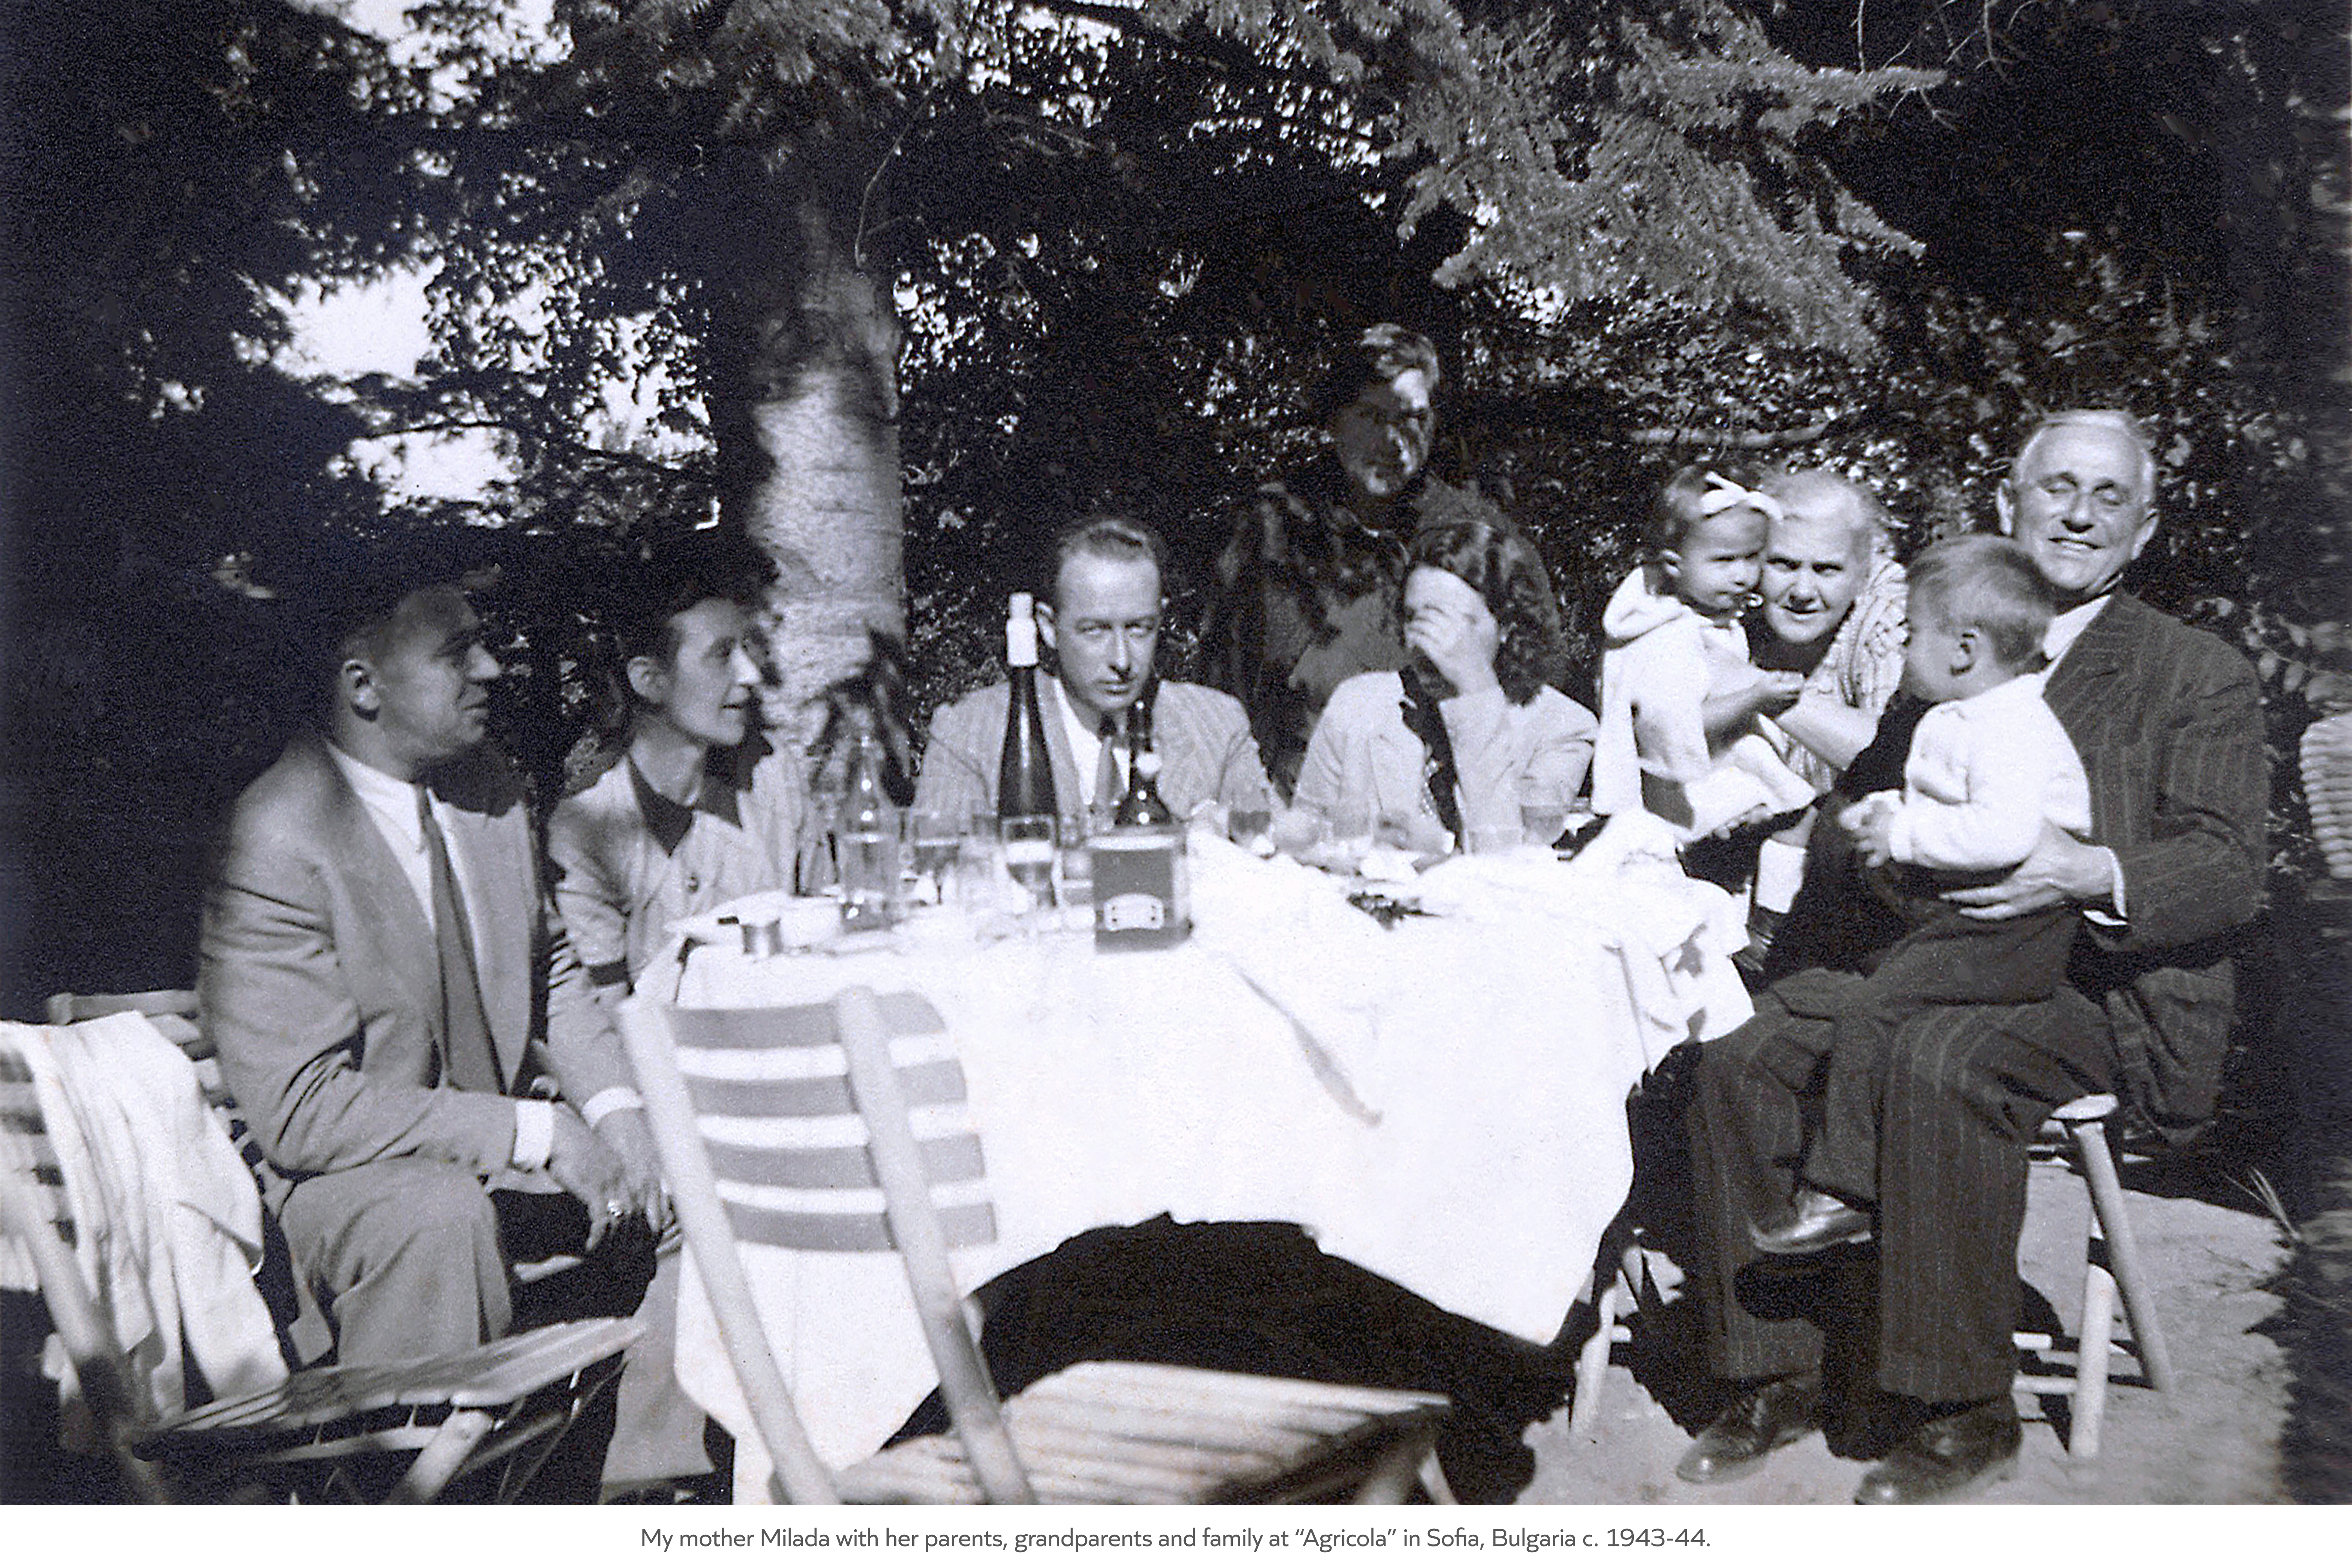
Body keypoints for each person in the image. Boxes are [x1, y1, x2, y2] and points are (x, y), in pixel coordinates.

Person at [1679, 410, 2267, 1504]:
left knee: (1941, 1057)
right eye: (2056, 489)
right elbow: (1871, 822)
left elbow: (2231, 868)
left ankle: (1960, 1407)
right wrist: (1870, 856)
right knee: (1745, 1051)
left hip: (2099, 991)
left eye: (2108, 497)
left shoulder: (2194, 672)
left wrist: (2086, 870)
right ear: (2009, 507)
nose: (2079, 514)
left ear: (2142, 531)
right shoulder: (1948, 655)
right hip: (1941, 950)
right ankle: (1781, 1370)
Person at [199, 560, 666, 1371]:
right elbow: (303, 1113)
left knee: (679, 1161)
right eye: (458, 653)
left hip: (485, 1162)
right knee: (439, 1215)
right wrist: (535, 1130)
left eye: (483, 646)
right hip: (343, 1190)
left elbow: (547, 965)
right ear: (363, 685)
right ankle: (425, 1487)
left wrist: (624, 1112)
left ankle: (650, 1476)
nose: (490, 669)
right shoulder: (277, 836)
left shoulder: (485, 788)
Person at [1749, 535, 2092, 1254]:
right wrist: (1883, 819)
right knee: (1858, 996)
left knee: (1880, 1010)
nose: (1901, 650)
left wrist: (1902, 834)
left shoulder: (2012, 726)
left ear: (1964, 648)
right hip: (1965, 919)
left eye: (1910, 634)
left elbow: (2002, 835)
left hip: (2013, 930)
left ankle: (1845, 1188)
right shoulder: (1958, 713)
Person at [1203, 325, 1566, 793]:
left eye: (1412, 418)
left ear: (1433, 424)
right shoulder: (1274, 526)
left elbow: (1539, 680)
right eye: (1372, 416)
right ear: (1334, 420)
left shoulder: (1475, 535)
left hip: (1438, 807)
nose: (1393, 440)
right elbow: (1220, 684)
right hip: (1294, 808)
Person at [547, 539, 806, 1002]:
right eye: (722, 654)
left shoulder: (773, 775)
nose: (749, 674)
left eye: (747, 649)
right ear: (650, 679)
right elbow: (605, 1018)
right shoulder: (588, 827)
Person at [916, 515, 1275, 826]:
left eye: (1139, 628)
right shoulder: (971, 733)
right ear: (1049, 628)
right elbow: (941, 881)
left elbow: (1279, 862)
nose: (1122, 660)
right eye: (1095, 631)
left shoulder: (1217, 725)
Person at [1281, 515, 1594, 853]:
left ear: (1506, 627)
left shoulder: (1564, 729)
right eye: (1415, 618)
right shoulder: (1359, 703)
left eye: (1451, 622)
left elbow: (1508, 861)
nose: (1426, 644)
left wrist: (1475, 698)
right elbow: (1302, 843)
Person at [1735, 470, 1911, 963]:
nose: (1803, 591)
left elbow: (1889, 755)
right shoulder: (1733, 617)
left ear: (1862, 571)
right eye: (1784, 565)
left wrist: (1763, 693)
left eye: (1827, 570)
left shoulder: (1881, 623)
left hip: (1849, 897)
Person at [1591, 465, 1814, 842]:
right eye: (1725, 561)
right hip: (1681, 794)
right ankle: (1776, 904)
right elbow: (1675, 730)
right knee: (1797, 823)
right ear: (1674, 565)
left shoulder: (1709, 621)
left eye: (1752, 557)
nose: (1743, 576)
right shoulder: (1666, 638)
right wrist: (1756, 697)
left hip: (1714, 775)